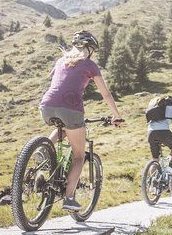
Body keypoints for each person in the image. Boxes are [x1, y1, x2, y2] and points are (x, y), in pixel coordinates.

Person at [39, 30, 124, 211]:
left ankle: (42, 149)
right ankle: (69, 198)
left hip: (46, 106)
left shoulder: (60, 61)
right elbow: (106, 94)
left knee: (63, 129)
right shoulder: (90, 65)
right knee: (79, 156)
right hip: (71, 109)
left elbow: (58, 81)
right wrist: (116, 115)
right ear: (90, 49)